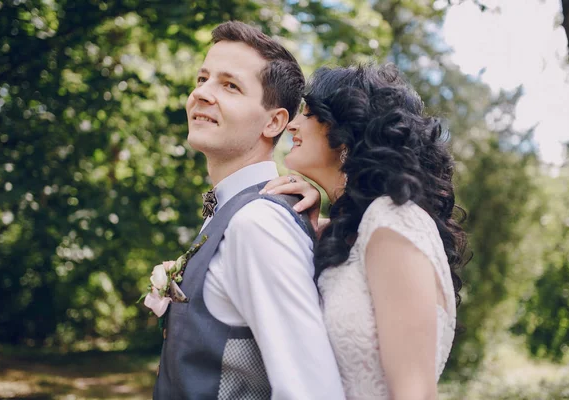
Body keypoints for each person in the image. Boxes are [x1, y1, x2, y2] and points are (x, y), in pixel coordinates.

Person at [153, 21, 345, 399]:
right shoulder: (233, 212)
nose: (201, 94)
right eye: (202, 78)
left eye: (230, 85)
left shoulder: (259, 223)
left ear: (274, 122)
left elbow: (310, 390)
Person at [262, 64, 468, 399]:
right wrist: (313, 224)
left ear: (347, 131)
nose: (293, 125)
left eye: (309, 113)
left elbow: (415, 393)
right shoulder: (350, 234)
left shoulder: (393, 221)